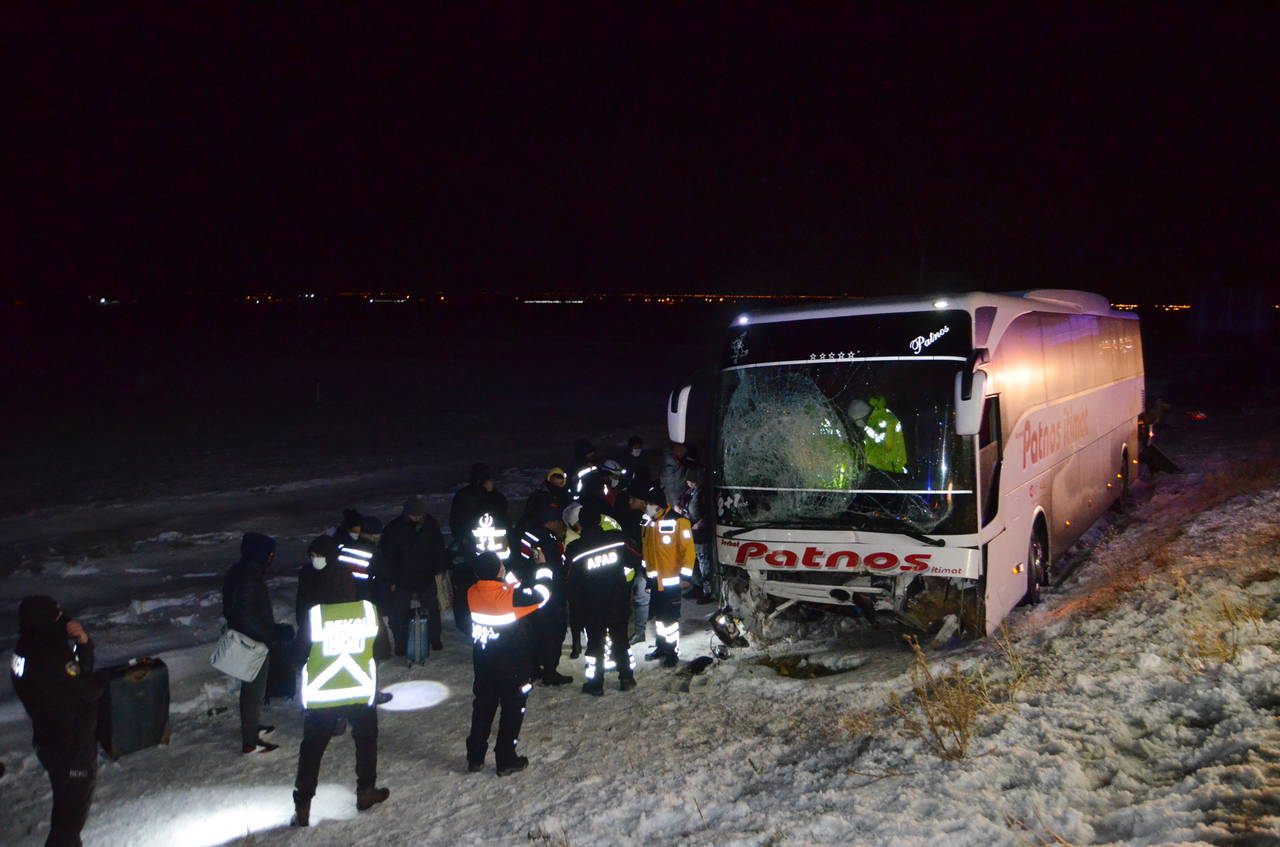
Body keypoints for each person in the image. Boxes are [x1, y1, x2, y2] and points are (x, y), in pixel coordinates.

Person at [292, 536, 389, 826]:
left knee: (312, 748)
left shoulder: (315, 617)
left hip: (323, 695)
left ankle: (304, 805)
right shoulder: (367, 611)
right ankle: (366, 791)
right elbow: (384, 651)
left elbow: (297, 656)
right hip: (359, 691)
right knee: (366, 741)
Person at [10, 595, 104, 847]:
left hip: (48, 738)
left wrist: (80, 643)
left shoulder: (24, 647)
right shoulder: (52, 652)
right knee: (68, 823)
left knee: (67, 814)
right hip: (70, 744)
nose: (63, 618)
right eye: (58, 614)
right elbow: (88, 688)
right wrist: (99, 675)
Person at [465, 551, 551, 775]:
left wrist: (507, 578)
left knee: (483, 708)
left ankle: (475, 757)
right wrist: (542, 568)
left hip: (484, 664)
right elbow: (542, 595)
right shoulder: (511, 596)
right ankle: (505, 759)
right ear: (499, 571)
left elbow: (502, 590)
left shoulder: (472, 592)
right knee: (512, 711)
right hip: (512, 666)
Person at [565, 502, 639, 695]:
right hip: (617, 600)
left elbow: (570, 581)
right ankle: (627, 677)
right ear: (599, 521)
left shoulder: (575, 550)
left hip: (592, 605)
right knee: (621, 640)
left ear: (580, 525)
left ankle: (595, 684)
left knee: (595, 646)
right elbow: (635, 560)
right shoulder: (617, 540)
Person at [222, 531, 281, 753]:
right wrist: (268, 635)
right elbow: (247, 615)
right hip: (252, 642)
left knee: (253, 689)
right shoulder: (249, 578)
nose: (272, 557)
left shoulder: (241, 572)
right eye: (270, 553)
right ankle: (250, 742)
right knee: (253, 691)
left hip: (249, 638)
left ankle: (252, 728)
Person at [381, 496, 448, 655]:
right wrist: (390, 580)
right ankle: (401, 645)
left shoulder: (430, 523)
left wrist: (441, 568)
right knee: (399, 613)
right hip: (402, 578)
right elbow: (387, 558)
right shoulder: (393, 529)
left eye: (420, 515)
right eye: (414, 515)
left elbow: (438, 547)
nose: (418, 518)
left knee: (431, 609)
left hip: (426, 575)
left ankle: (434, 639)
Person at [639, 485, 695, 667]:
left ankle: (672, 652)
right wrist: (648, 578)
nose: (647, 506)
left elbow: (688, 552)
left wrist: (685, 577)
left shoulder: (680, 522)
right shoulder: (648, 523)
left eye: (650, 503)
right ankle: (662, 647)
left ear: (659, 504)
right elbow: (646, 554)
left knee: (669, 620)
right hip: (655, 582)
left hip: (672, 582)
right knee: (660, 619)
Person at [518, 506, 573, 685]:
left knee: (535, 632)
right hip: (550, 593)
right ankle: (550, 672)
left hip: (529, 593)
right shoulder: (549, 540)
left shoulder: (528, 535)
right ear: (550, 522)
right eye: (558, 522)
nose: (561, 525)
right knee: (553, 634)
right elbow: (556, 569)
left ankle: (533, 669)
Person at [449, 463, 510, 550]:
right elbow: (502, 510)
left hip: (476, 540)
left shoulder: (462, 494)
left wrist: (460, 537)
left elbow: (455, 520)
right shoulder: (490, 494)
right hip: (483, 540)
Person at [678, 467, 716, 604]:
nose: (689, 483)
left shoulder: (703, 494)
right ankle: (697, 587)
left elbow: (709, 513)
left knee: (704, 562)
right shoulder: (690, 493)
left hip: (702, 533)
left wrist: (700, 524)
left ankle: (708, 591)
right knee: (694, 561)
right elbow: (685, 507)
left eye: (691, 481)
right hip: (692, 533)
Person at [621, 483, 652, 644]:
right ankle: (640, 631)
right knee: (639, 597)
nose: (630, 501)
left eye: (633, 499)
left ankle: (641, 632)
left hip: (647, 564)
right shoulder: (634, 516)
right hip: (638, 561)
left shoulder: (650, 518)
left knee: (641, 596)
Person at [517, 468, 571, 535]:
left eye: (560, 483)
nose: (557, 485)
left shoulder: (565, 496)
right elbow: (531, 514)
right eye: (554, 481)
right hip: (539, 530)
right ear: (549, 480)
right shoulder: (540, 496)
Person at [660, 440, 694, 509]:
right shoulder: (668, 468)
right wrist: (675, 505)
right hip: (674, 502)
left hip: (679, 500)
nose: (683, 455)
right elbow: (670, 488)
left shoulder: (676, 464)